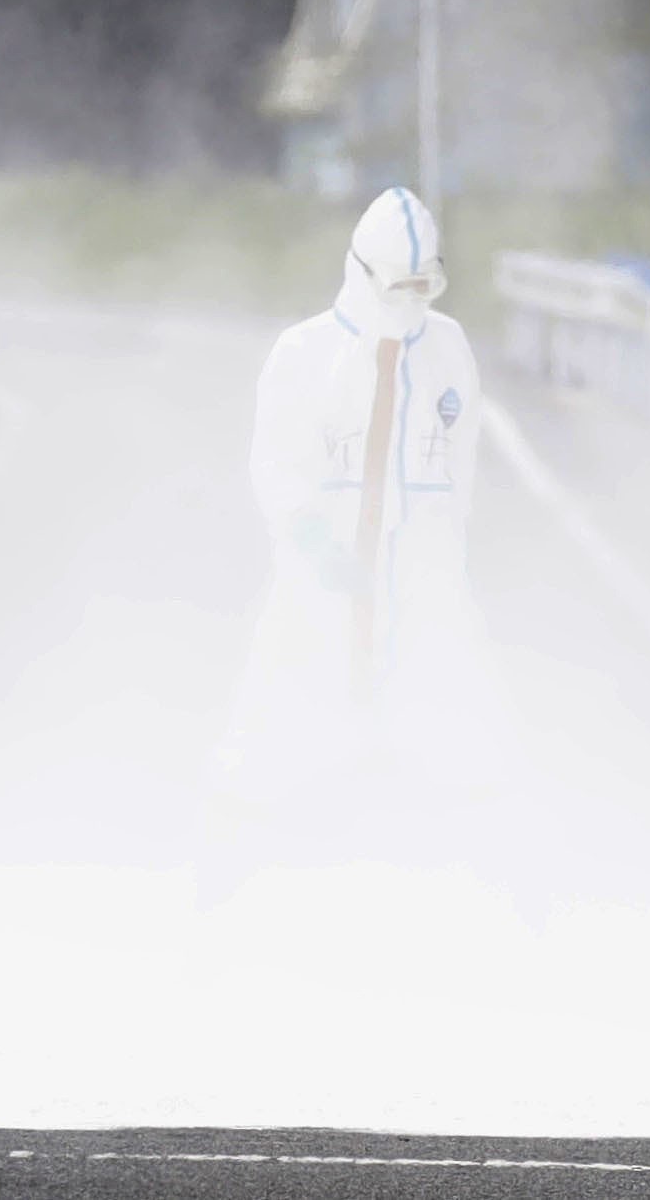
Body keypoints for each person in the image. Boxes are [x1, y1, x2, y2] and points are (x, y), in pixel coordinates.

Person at [222, 186, 485, 834]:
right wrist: (312, 541)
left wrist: (443, 554)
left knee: (437, 731)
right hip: (323, 575)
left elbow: (462, 462)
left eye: (426, 286)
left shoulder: (448, 352)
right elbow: (276, 464)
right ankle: (257, 847)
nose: (413, 301)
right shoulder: (305, 354)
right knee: (290, 722)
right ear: (364, 273)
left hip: (420, 583)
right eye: (401, 286)